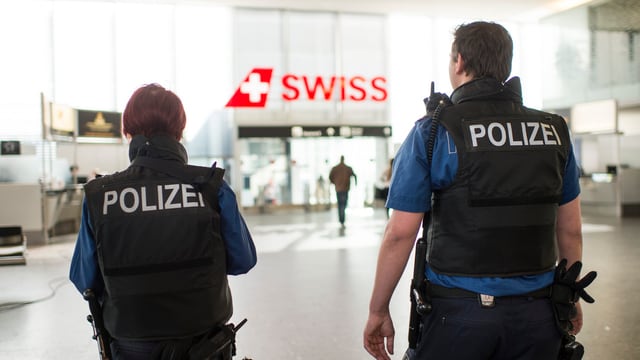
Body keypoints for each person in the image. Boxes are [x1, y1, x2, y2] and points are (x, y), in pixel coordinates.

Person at [363, 21, 593, 360]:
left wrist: (378, 310)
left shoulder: (434, 131)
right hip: (539, 313)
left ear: (458, 62)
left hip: (458, 314)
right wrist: (568, 298)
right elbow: (570, 228)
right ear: (506, 64)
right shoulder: (554, 130)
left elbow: (400, 234)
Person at [69, 83, 257, 359]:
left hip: (131, 345)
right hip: (204, 344)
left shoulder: (99, 196)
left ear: (126, 131)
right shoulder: (211, 188)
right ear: (180, 131)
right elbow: (243, 260)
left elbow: (84, 279)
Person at [329, 155, 357, 228]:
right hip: (345, 189)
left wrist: (334, 183)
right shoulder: (347, 168)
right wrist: (356, 183)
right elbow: (354, 175)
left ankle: (341, 220)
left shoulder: (335, 168)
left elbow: (330, 177)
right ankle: (342, 220)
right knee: (343, 205)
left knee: (340, 205)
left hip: (338, 189)